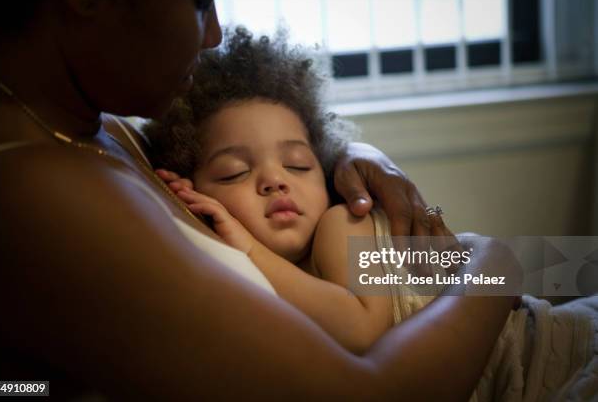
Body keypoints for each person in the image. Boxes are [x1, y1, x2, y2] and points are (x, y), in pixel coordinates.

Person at [0, 0, 524, 400]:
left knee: (577, 273)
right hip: (494, 331)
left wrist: (347, 155)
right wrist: (499, 264)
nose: (214, 34)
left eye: (296, 163)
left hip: (508, 325)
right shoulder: (39, 199)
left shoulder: (101, 128)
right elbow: (370, 387)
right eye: (199, 1)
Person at [146, 28, 598, 401]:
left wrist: (245, 248)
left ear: (322, 173)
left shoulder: (339, 225)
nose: (274, 180)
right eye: (235, 172)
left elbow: (361, 328)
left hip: (549, 351)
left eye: (298, 165)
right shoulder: (245, 291)